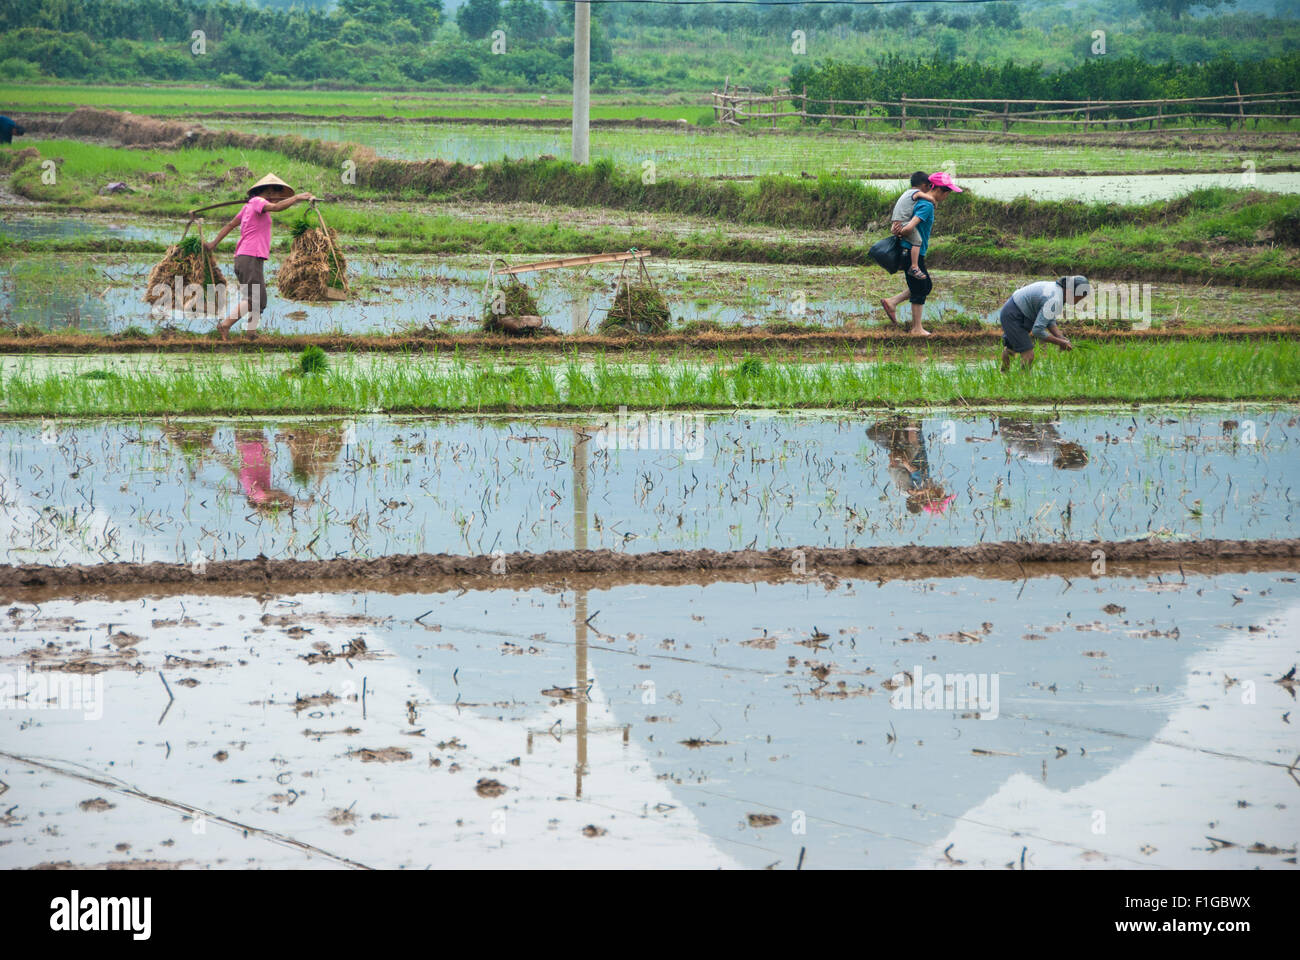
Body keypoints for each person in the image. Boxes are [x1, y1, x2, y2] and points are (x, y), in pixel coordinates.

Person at [205, 173, 315, 339]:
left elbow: (230, 224)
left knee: (259, 299)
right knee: (254, 298)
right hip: (250, 256)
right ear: (269, 191)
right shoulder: (258, 202)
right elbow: (276, 208)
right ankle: (226, 325)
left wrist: (214, 243)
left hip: (246, 257)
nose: (278, 199)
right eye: (277, 194)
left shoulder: (249, 206)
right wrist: (297, 197)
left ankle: (251, 334)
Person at [880, 170, 962, 336]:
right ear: (940, 190)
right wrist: (902, 231)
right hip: (911, 251)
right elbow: (911, 227)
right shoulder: (926, 205)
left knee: (924, 285)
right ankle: (916, 328)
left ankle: (892, 302)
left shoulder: (924, 202)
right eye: (948, 192)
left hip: (913, 250)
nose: (947, 197)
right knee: (920, 287)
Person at [998, 275, 1090, 371]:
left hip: (1015, 310)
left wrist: (1061, 337)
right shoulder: (1056, 299)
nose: (1077, 302)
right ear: (1070, 291)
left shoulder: (1059, 291)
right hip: (1014, 315)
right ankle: (1023, 382)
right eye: (1078, 298)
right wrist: (1060, 342)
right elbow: (1037, 330)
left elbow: (1049, 319)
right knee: (1029, 355)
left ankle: (1004, 375)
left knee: (1011, 348)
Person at [890, 171, 930, 280]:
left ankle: (901, 263)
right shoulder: (916, 192)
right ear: (924, 185)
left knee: (905, 240)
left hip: (895, 223)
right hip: (903, 223)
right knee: (917, 242)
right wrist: (933, 200)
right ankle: (914, 267)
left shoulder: (906, 193)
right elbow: (921, 195)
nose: (929, 190)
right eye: (929, 187)